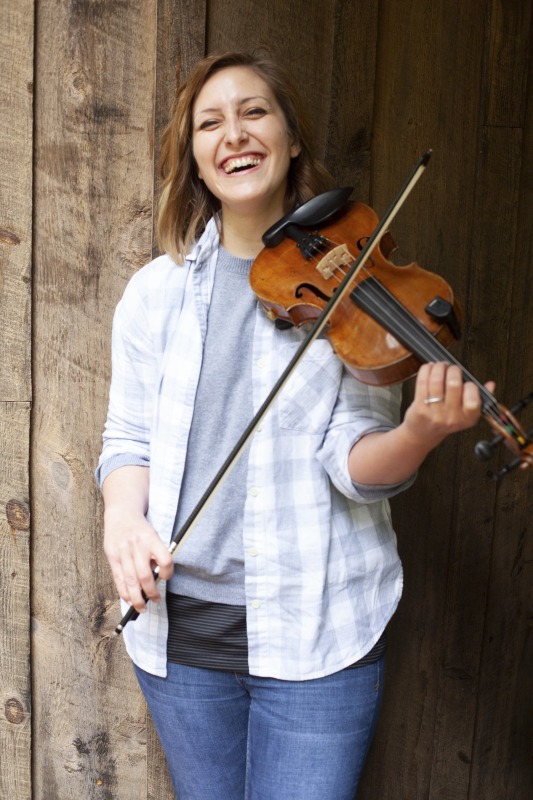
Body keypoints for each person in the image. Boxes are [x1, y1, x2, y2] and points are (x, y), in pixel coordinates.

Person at [97, 50, 486, 800]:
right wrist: (123, 520)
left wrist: (419, 433)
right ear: (195, 161)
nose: (233, 134)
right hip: (180, 638)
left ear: (290, 137)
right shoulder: (155, 294)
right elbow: (129, 439)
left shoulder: (353, 287)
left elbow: (352, 464)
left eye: (254, 112)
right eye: (210, 123)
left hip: (317, 627)